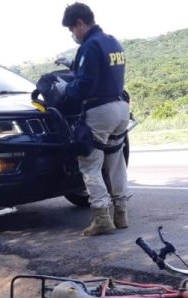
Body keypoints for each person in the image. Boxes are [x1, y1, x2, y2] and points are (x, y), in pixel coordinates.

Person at [56, 2, 130, 236]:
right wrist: (72, 65)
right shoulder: (112, 41)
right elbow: (102, 71)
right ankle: (121, 213)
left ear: (80, 23)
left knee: (90, 163)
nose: (73, 35)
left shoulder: (90, 45)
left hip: (100, 110)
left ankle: (101, 218)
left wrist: (64, 90)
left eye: (71, 30)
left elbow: (85, 86)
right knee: (115, 161)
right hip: (121, 107)